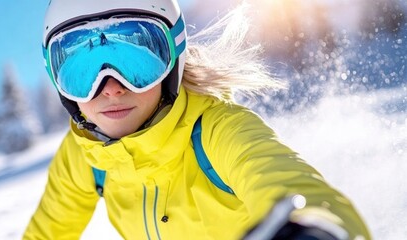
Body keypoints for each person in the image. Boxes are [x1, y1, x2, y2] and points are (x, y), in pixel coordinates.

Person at [24, 0, 371, 239]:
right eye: (80, 70)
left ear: (173, 62)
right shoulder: (84, 155)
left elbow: (292, 184)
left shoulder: (220, 131)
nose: (111, 87)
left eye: (136, 61)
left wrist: (316, 229)